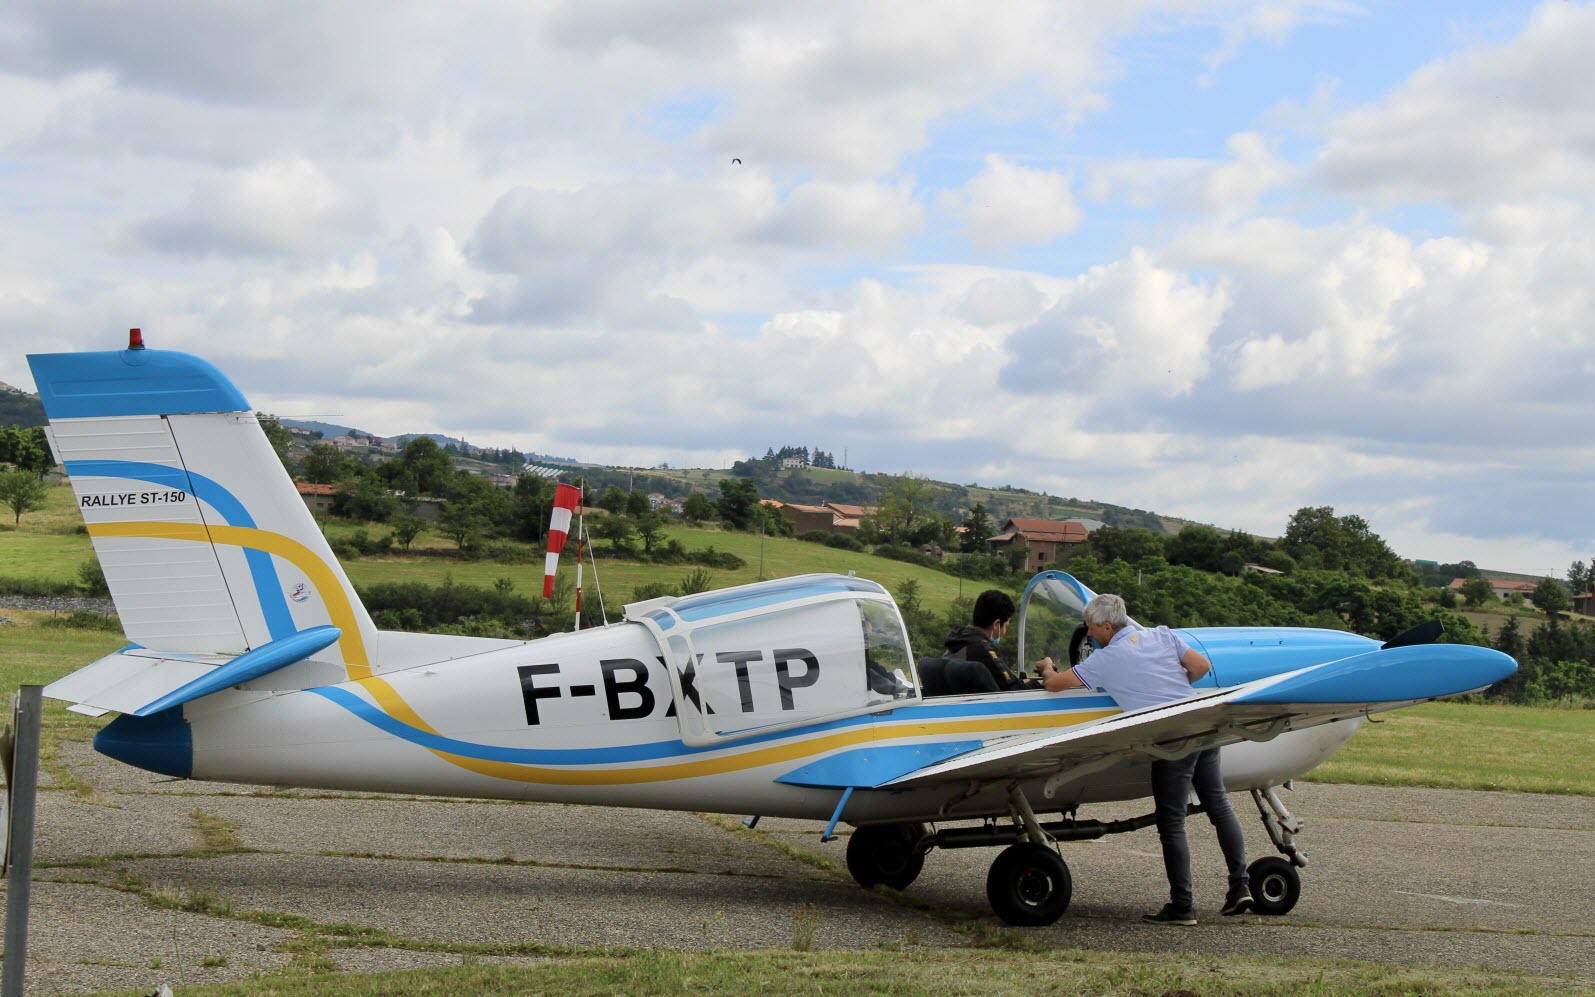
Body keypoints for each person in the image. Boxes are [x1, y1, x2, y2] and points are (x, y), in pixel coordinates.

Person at [1036, 593, 1251, 924]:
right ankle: (1241, 886)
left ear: (1107, 626)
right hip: (1201, 722)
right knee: (1218, 806)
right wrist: (1173, 690)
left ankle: (1182, 906)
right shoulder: (1161, 634)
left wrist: (1047, 666)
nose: (1089, 634)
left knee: (1172, 821)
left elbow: (1054, 685)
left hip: (1172, 737)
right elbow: (1201, 666)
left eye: (1091, 628)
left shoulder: (1104, 660)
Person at [940, 590, 1038, 692]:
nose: (1005, 631)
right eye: (1006, 626)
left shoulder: (958, 642)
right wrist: (1044, 675)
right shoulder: (983, 650)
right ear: (996, 625)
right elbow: (1013, 690)